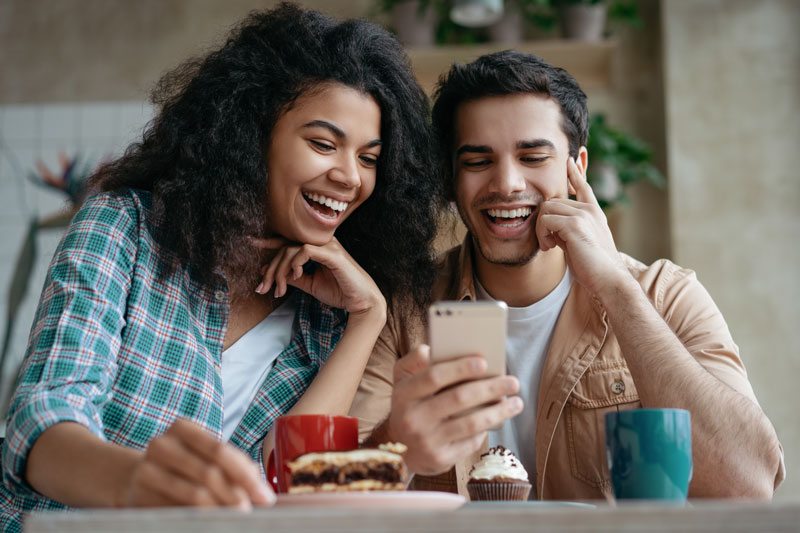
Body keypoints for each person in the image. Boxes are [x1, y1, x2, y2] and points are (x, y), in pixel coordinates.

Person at [0, 3, 442, 529]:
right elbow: (42, 421)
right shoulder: (125, 231)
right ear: (252, 135)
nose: (350, 177)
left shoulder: (330, 312)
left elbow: (287, 486)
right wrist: (136, 484)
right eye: (324, 144)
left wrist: (368, 316)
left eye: (369, 158)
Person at [350, 50, 785, 500]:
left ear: (577, 168)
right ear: (452, 178)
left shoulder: (666, 294)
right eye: (478, 162)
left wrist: (616, 287)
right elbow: (335, 508)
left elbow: (748, 483)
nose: (508, 183)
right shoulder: (403, 309)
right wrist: (396, 450)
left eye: (533, 156)